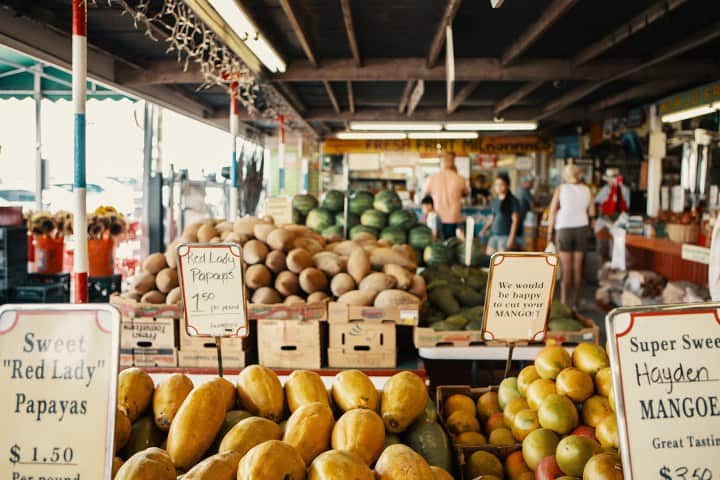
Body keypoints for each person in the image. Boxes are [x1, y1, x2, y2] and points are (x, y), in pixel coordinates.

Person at [546, 164, 596, 309]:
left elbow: (553, 212)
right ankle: (576, 302)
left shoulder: (561, 189)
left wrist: (550, 232)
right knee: (577, 267)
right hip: (582, 228)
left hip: (564, 228)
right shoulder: (587, 190)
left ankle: (563, 302)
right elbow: (592, 212)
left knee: (566, 268)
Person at [423, 152, 469, 239]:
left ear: (442, 162)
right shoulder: (460, 179)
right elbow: (465, 193)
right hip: (453, 217)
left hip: (437, 217)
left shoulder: (432, 178)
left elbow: (425, 195)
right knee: (452, 244)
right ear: (453, 161)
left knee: (438, 246)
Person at [595, 168, 630, 262]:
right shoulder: (605, 189)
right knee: (603, 245)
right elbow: (597, 203)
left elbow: (626, 208)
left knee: (616, 247)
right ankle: (604, 266)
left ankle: (614, 266)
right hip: (605, 220)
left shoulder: (624, 190)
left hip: (618, 220)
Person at [481, 173, 521, 254]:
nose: (498, 187)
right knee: (490, 260)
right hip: (493, 235)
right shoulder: (494, 201)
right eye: (496, 184)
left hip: (505, 237)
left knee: (501, 262)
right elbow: (492, 218)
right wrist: (484, 229)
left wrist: (511, 237)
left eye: (501, 184)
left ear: (507, 185)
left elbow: (515, 220)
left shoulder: (513, 201)